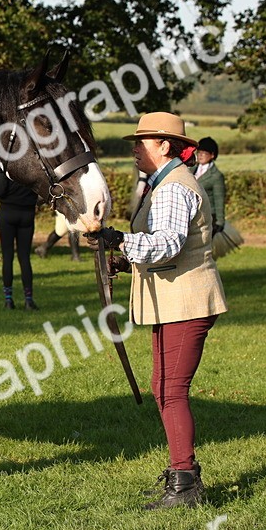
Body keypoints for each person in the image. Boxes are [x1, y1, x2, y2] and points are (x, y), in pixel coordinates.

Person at [84, 112, 228, 509]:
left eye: (141, 142)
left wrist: (118, 240)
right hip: (175, 301)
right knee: (163, 387)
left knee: (171, 390)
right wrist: (125, 260)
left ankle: (185, 485)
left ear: (164, 146)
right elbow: (165, 248)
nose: (134, 148)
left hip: (187, 302)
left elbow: (167, 244)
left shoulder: (171, 188)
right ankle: (181, 476)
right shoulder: (163, 183)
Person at [0, 172, 39, 310]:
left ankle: (8, 300)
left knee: (7, 257)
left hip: (7, 213)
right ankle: (29, 300)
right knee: (24, 258)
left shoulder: (7, 168)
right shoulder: (30, 168)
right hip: (27, 214)